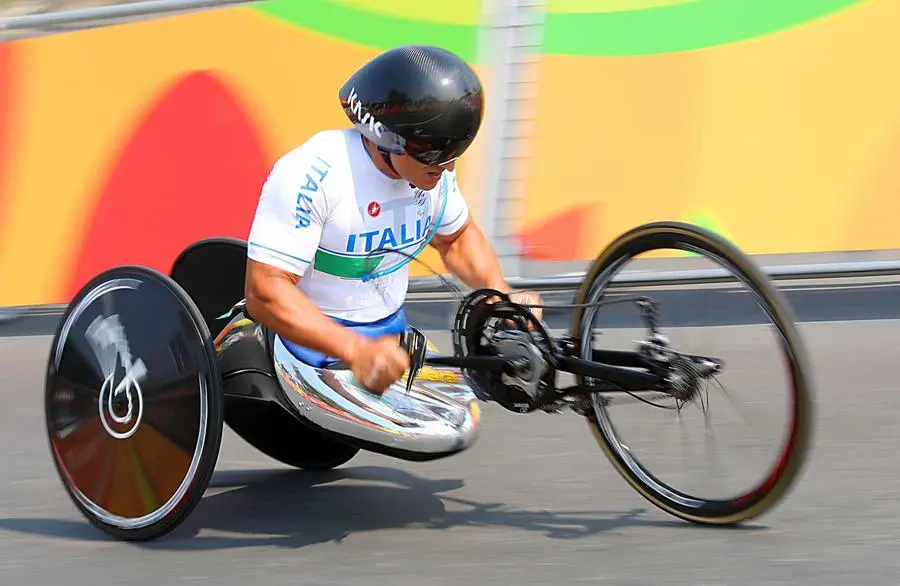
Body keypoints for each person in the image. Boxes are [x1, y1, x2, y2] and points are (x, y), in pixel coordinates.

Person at [244, 45, 542, 396]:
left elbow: (457, 239)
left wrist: (500, 296)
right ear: (387, 137)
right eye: (435, 153)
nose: (447, 167)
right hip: (309, 346)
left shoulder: (432, 168)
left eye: (455, 153)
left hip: (388, 338)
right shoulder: (313, 173)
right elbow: (264, 291)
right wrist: (354, 350)